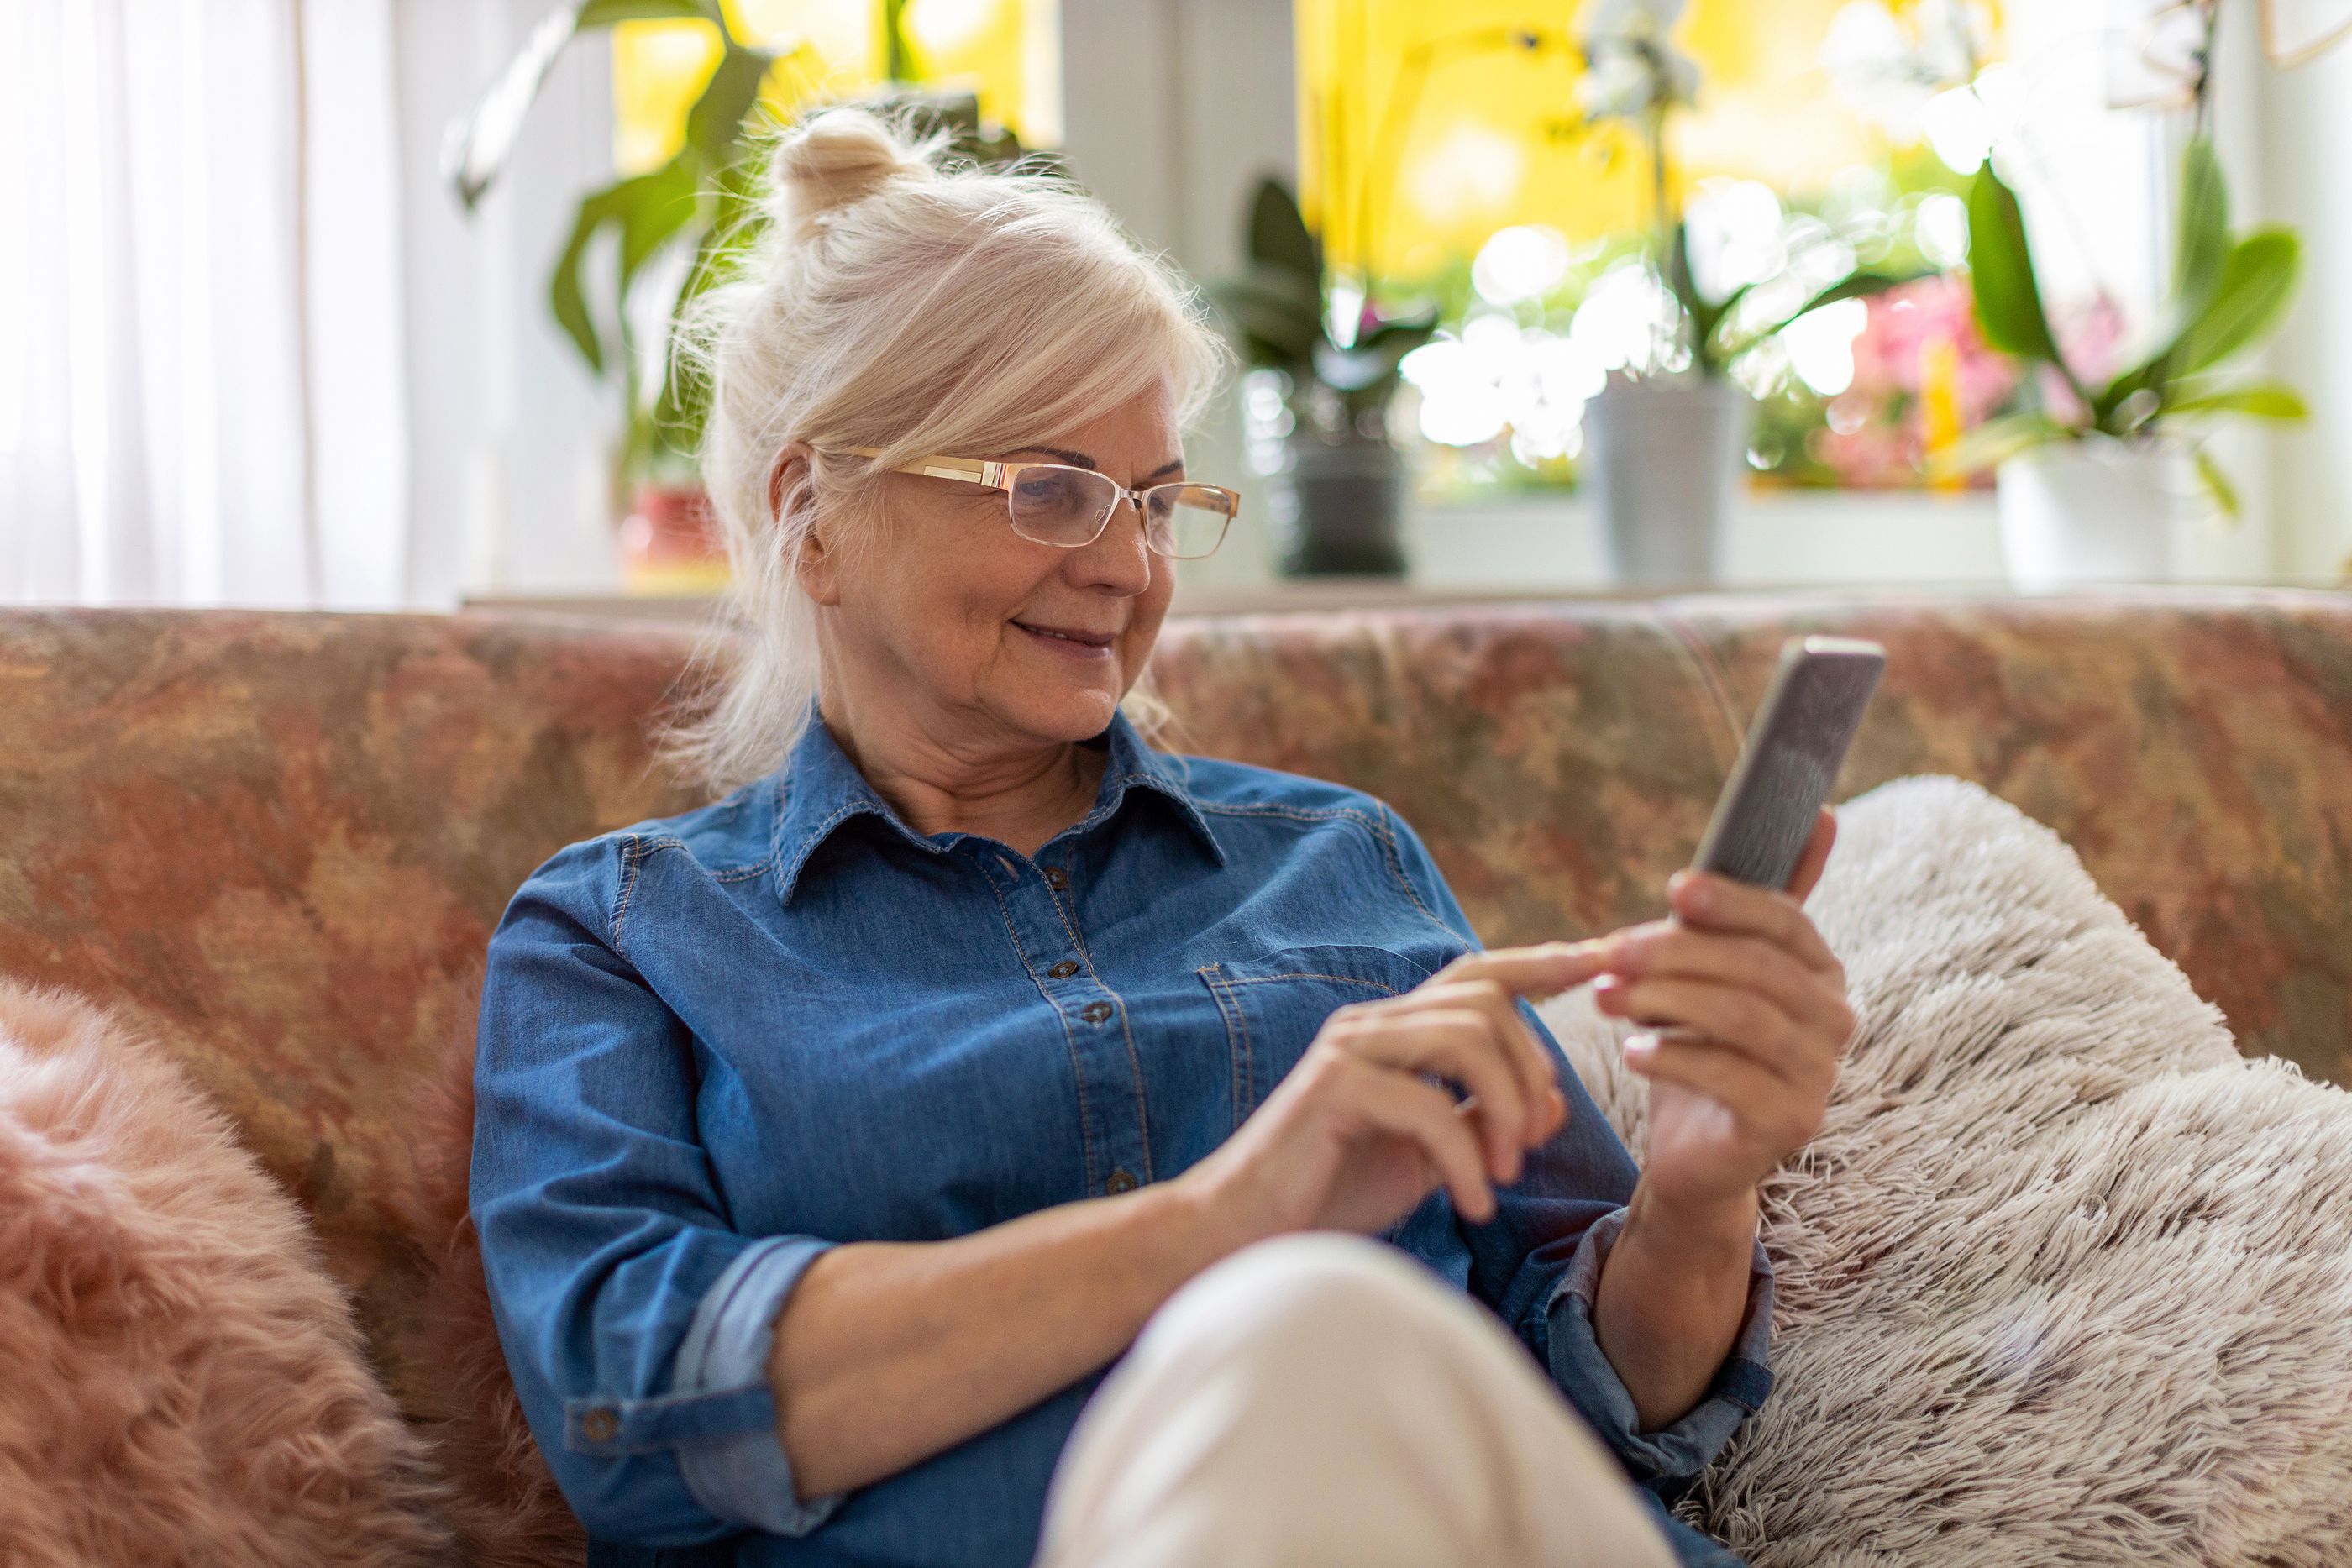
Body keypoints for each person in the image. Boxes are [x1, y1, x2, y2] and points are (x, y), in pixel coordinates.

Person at [470, 105, 1856, 1568]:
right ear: (812, 517)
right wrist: (1228, 1221)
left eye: (1150, 497)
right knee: (1311, 1319)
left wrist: (1700, 1200)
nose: (1129, 566)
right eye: (1051, 490)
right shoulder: (623, 937)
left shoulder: (1343, 863)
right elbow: (630, 1407)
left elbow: (1591, 1408)